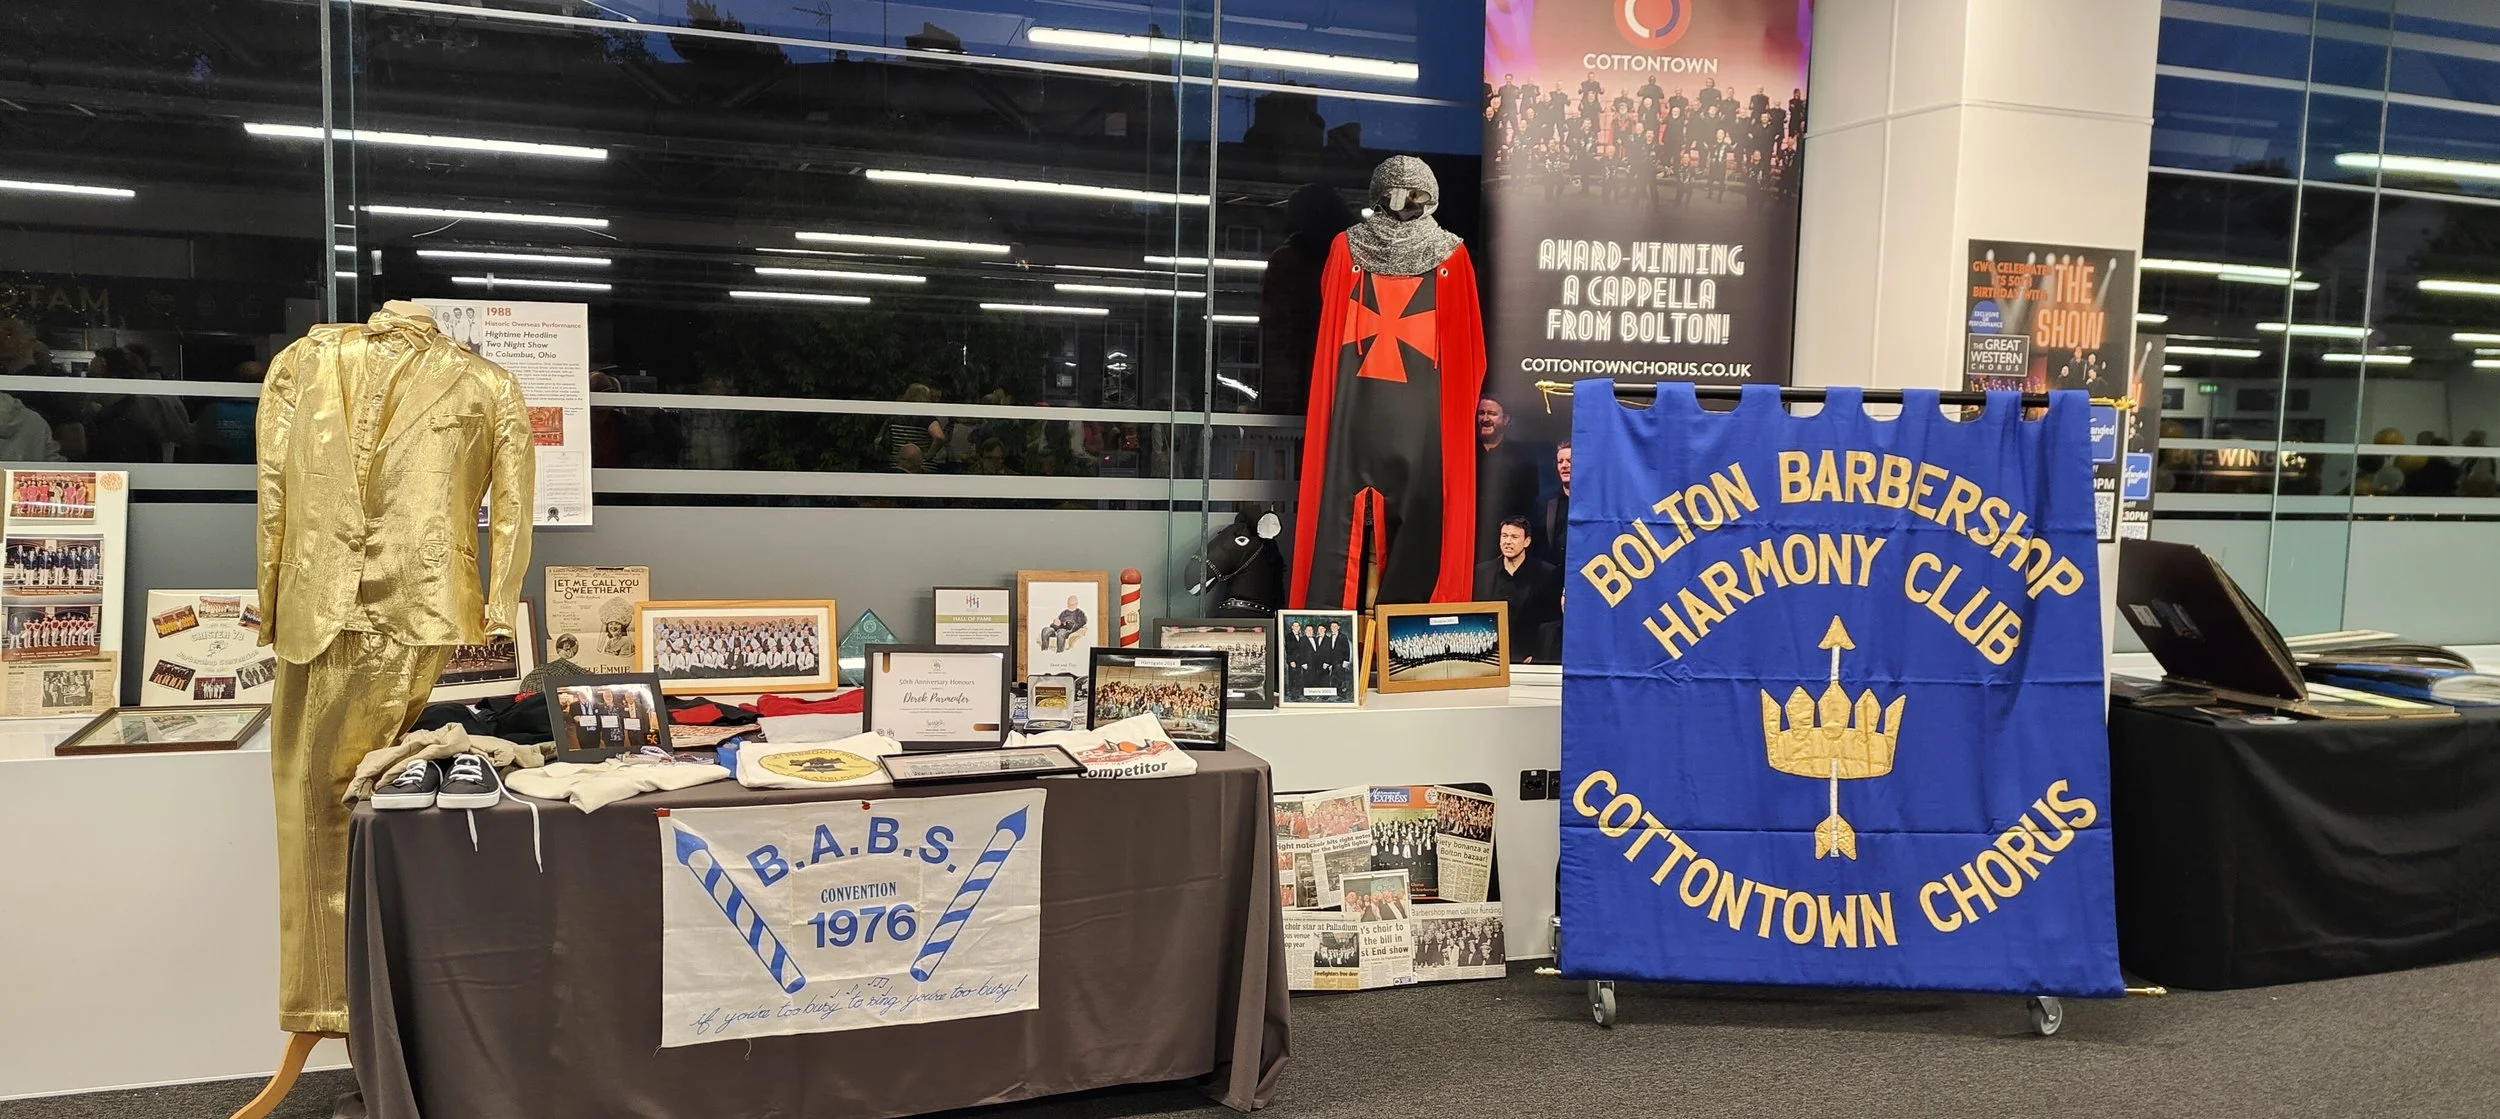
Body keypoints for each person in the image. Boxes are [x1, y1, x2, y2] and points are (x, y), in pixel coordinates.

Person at [1475, 517, 1560, 661]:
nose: (1507, 542)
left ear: (1527, 541)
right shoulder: (1483, 572)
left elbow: (1550, 621)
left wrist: (1537, 655)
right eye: (1504, 536)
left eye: (1514, 537)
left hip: (1528, 658)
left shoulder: (1546, 574)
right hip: (1490, 657)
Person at [1476, 396, 1540, 566]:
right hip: (1470, 541)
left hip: (1508, 547)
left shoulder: (1523, 458)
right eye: (1481, 413)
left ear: (1506, 420)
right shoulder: (1466, 454)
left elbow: (1529, 505)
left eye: (1492, 413)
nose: (1485, 419)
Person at [1537, 441, 1572, 564]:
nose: (1564, 465)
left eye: (1569, 461)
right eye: (1560, 461)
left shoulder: (1594, 503)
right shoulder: (1544, 502)